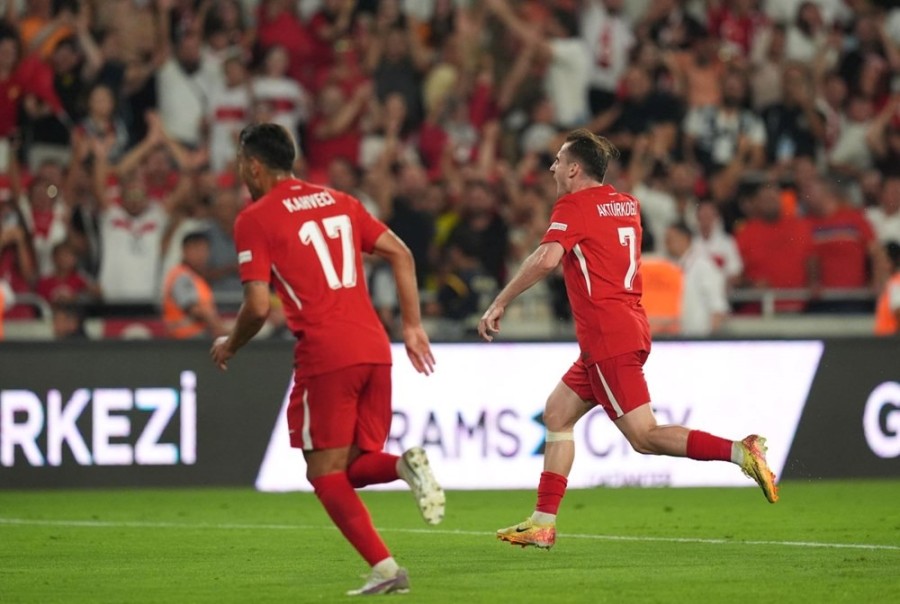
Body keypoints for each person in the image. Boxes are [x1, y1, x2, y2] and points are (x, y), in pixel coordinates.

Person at [477, 129, 778, 551]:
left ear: (574, 169)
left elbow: (546, 259)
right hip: (629, 325)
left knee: (644, 436)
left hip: (607, 335)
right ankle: (543, 522)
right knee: (557, 414)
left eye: (558, 161)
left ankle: (741, 451)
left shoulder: (573, 206)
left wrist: (500, 301)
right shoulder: (627, 204)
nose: (552, 168)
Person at [209, 123, 443, 596]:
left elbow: (257, 306)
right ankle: (404, 466)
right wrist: (412, 326)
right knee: (352, 464)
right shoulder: (341, 201)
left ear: (254, 166)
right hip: (374, 348)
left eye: (241, 166)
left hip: (327, 351)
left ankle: (385, 568)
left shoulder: (255, 218)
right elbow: (401, 254)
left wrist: (230, 344)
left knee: (323, 472)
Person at [161, 231, 225, 339]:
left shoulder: (195, 276)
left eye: (204, 250)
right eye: (196, 249)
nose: (201, 255)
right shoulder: (181, 276)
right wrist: (219, 329)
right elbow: (196, 309)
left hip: (196, 337)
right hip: (184, 339)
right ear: (185, 250)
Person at [874, 241, 900, 336]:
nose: (879, 263)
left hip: (890, 341)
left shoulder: (896, 283)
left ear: (891, 261)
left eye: (882, 259)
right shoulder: (892, 283)